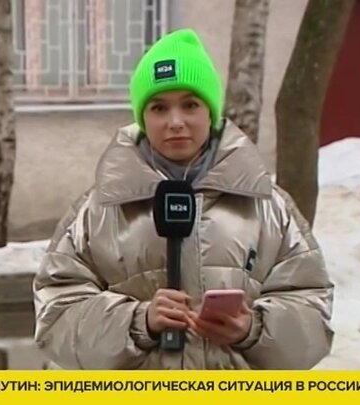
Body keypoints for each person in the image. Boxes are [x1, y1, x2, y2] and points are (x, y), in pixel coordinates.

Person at [33, 28, 334, 370]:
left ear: (211, 112)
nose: (175, 122)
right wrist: (138, 322)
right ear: (142, 117)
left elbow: (313, 315)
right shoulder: (97, 212)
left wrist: (253, 329)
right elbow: (56, 318)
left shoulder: (269, 207)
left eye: (190, 105)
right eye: (159, 107)